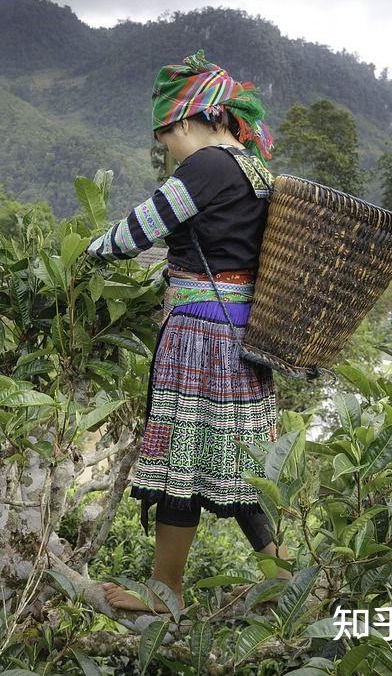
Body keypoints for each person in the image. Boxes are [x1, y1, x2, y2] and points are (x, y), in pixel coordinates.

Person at [85, 50, 288, 611]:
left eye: (165, 136)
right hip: (242, 335)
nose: (166, 149)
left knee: (181, 462)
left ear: (189, 121)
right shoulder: (254, 166)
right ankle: (285, 581)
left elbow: (138, 230)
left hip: (202, 337)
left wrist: (92, 251)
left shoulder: (206, 166)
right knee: (233, 462)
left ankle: (163, 595)